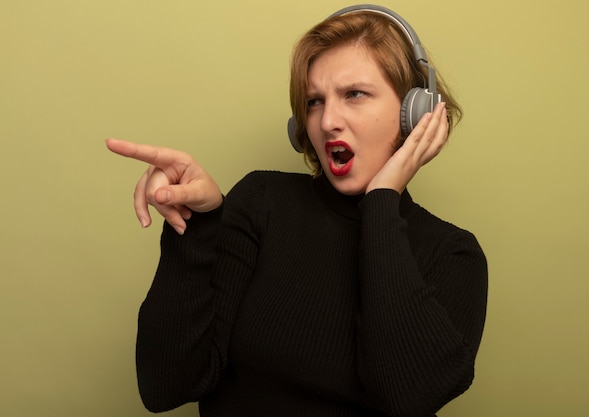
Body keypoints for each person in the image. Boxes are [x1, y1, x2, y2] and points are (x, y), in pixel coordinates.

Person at [106, 4, 488, 417]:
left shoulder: (453, 255)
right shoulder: (262, 201)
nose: (327, 122)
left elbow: (406, 399)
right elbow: (165, 386)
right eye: (314, 102)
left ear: (414, 113)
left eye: (354, 94)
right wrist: (197, 228)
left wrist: (381, 203)